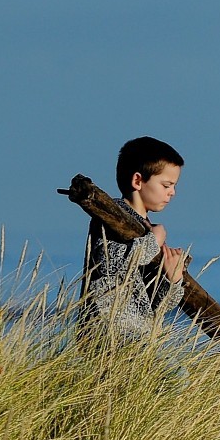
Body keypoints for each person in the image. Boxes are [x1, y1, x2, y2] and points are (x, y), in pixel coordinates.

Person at [79, 136, 189, 340]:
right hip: (107, 335)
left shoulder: (146, 228)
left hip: (137, 338)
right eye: (166, 185)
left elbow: (152, 306)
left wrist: (172, 280)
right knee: (179, 373)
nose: (173, 192)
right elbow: (109, 266)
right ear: (138, 180)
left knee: (180, 372)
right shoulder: (110, 218)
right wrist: (152, 243)